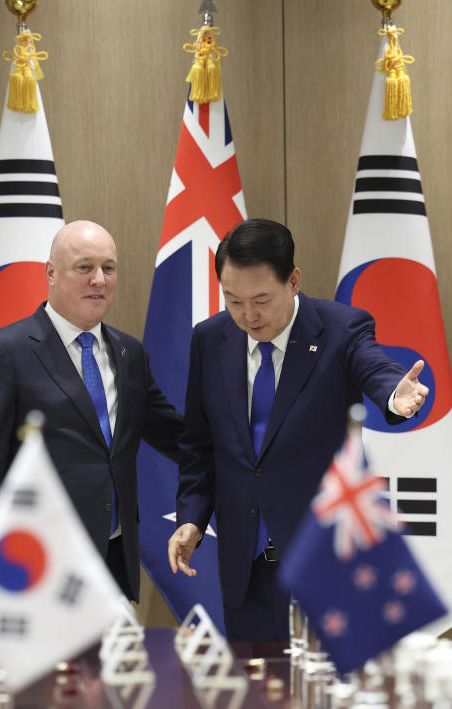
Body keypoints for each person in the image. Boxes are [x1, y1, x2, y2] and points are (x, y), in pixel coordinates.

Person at [168, 218, 429, 642]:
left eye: (261, 300)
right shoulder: (210, 338)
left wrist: (392, 394)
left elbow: (374, 367)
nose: (247, 315)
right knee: (256, 687)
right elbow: (199, 445)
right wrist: (193, 518)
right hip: (246, 562)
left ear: (293, 280)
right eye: (232, 300)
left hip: (326, 556)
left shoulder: (341, 328)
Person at [0, 220, 183, 601]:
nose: (99, 279)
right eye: (84, 267)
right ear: (51, 273)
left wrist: (250, 450)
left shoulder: (130, 353)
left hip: (113, 557)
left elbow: (175, 435)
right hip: (37, 564)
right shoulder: (4, 352)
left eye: (108, 268)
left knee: (108, 662)